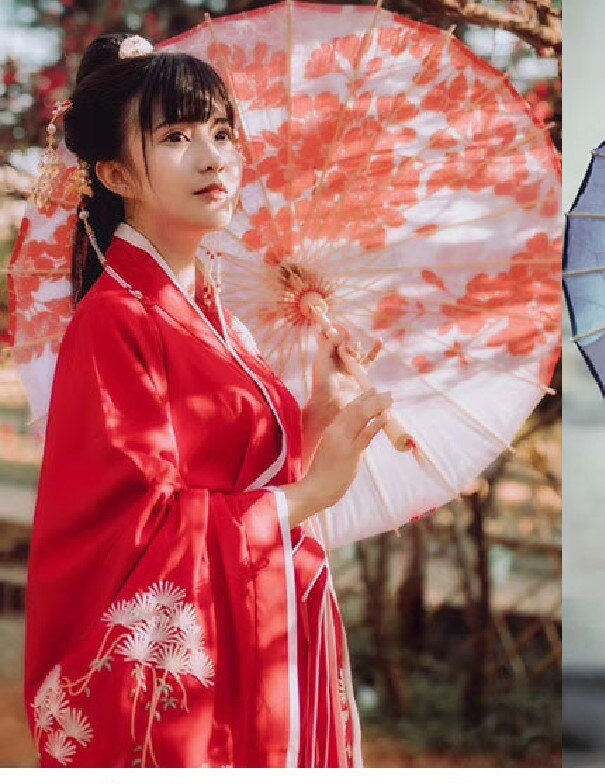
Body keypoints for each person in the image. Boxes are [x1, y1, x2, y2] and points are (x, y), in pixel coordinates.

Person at [23, 33, 388, 767]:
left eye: (223, 132)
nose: (214, 155)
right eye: (178, 136)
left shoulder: (215, 312)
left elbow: (236, 471)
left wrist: (319, 412)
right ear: (116, 172)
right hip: (200, 668)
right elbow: (141, 523)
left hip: (265, 621)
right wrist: (311, 493)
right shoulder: (116, 321)